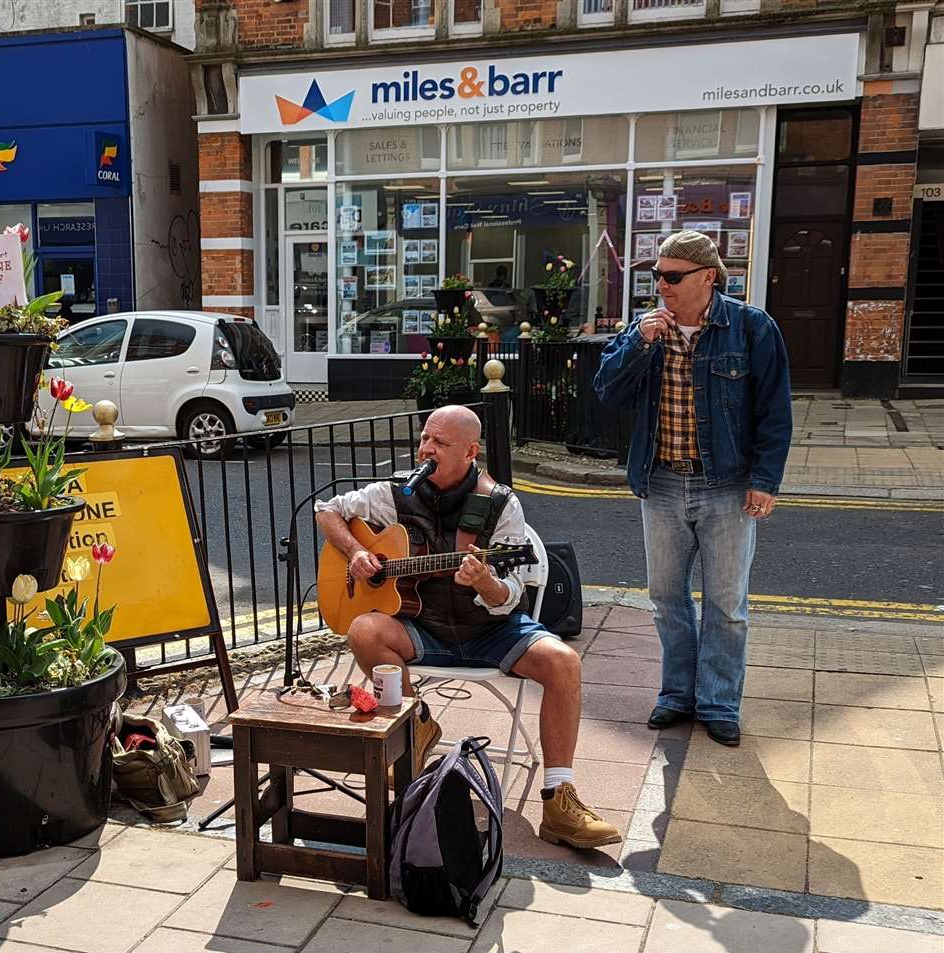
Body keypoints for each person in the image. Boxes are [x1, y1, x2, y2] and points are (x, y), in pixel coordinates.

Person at [314, 405, 622, 849]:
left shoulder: (499, 503)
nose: (426, 449)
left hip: (491, 628)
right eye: (425, 439)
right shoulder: (396, 492)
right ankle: (415, 726)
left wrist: (487, 583)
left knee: (564, 663)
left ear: (470, 451)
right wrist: (356, 552)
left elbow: (512, 594)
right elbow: (328, 510)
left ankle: (559, 799)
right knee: (363, 628)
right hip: (424, 624)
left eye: (439, 443)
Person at [593, 230, 792, 747]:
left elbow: (775, 412)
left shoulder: (750, 327)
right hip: (660, 483)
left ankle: (720, 702)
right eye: (656, 275)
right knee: (666, 598)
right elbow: (606, 392)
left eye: (672, 276)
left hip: (725, 485)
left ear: (709, 278)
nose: (662, 285)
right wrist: (639, 344)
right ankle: (678, 694)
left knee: (727, 603)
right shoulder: (645, 331)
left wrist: (765, 481)